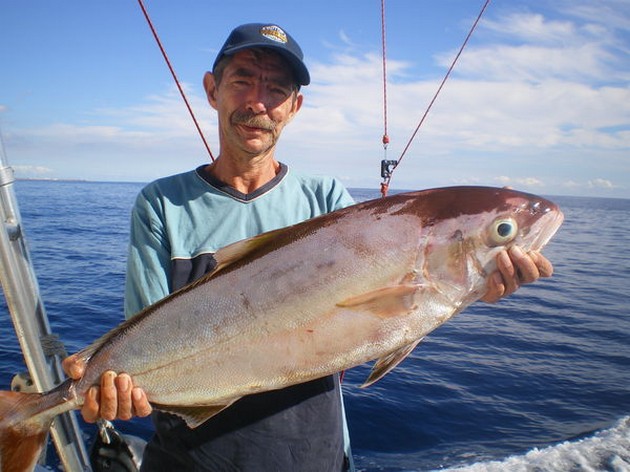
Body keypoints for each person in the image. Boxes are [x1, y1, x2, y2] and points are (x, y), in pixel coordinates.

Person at [63, 23, 554, 471]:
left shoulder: (327, 201)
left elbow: (378, 317)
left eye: (277, 89)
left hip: (311, 454)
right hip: (190, 459)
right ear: (213, 91)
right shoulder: (161, 204)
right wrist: (110, 385)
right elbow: (142, 331)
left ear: (294, 107)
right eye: (243, 80)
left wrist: (474, 290)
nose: (259, 102)